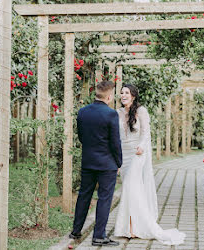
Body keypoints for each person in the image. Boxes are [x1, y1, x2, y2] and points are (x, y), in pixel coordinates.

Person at [114, 84, 186, 245]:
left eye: (127, 92)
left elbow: (146, 132)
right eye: (121, 93)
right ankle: (128, 227)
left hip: (137, 153)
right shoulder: (117, 113)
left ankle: (140, 226)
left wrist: (141, 146)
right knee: (131, 189)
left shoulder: (141, 111)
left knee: (130, 187)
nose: (123, 95)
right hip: (123, 155)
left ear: (133, 95)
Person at [70, 81, 122, 247]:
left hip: (88, 161)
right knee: (104, 198)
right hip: (107, 164)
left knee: (84, 196)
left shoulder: (83, 112)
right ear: (109, 96)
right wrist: (118, 162)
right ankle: (99, 236)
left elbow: (81, 137)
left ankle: (76, 231)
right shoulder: (111, 114)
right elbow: (115, 142)